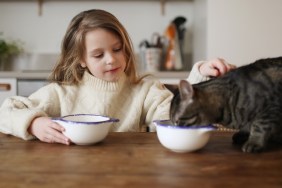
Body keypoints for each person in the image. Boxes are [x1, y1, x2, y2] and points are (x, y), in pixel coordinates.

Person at [0, 9, 235, 145]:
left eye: (117, 49)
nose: (111, 59)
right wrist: (33, 123)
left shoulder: (145, 90)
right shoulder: (60, 93)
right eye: (98, 54)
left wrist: (201, 76)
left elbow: (177, 116)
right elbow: (5, 111)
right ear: (81, 59)